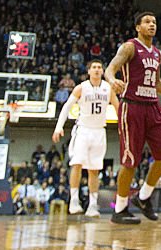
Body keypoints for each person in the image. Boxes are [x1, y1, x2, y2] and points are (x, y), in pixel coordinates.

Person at [105, 11, 161, 225]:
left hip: (153, 106)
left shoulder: (157, 53)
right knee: (130, 161)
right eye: (146, 22)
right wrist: (111, 80)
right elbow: (111, 68)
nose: (151, 25)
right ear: (138, 27)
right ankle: (121, 208)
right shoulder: (129, 47)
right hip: (132, 106)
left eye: (153, 22)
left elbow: (157, 83)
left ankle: (143, 197)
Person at [53, 58, 118, 217]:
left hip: (99, 131)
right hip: (83, 130)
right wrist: (59, 127)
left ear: (102, 71)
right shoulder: (81, 88)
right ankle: (74, 201)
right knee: (77, 164)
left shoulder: (108, 88)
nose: (97, 69)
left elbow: (118, 107)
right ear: (88, 71)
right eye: (94, 67)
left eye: (99, 67)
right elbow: (67, 107)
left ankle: (92, 205)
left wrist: (125, 127)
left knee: (94, 170)